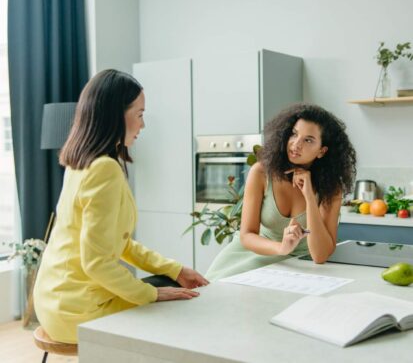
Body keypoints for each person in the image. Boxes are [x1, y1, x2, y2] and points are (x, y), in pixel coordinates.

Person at [33, 69, 208, 344]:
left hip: (54, 301)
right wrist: (151, 294)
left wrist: (174, 269)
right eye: (139, 114)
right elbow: (97, 263)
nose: (143, 125)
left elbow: (119, 244)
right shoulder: (104, 169)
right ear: (116, 114)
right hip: (78, 310)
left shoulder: (81, 162)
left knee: (171, 284)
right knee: (179, 303)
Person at [205, 103, 356, 281]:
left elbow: (320, 256)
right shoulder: (261, 172)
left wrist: (309, 196)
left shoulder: (331, 187)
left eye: (308, 140)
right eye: (294, 133)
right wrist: (282, 247)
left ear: (321, 151)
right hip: (247, 257)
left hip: (297, 265)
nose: (296, 144)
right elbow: (247, 235)